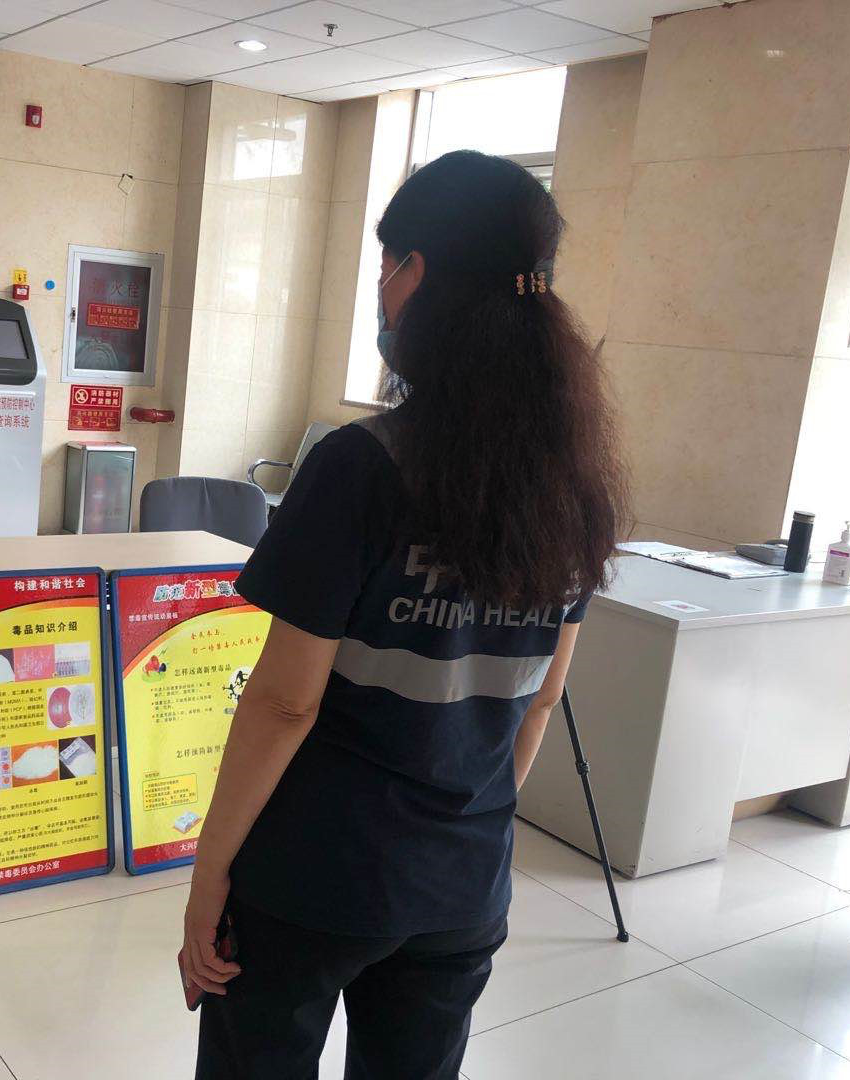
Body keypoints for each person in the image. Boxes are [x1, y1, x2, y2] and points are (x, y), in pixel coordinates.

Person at [181, 150, 627, 1079]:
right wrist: (461, 826)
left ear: (416, 271)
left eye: (386, 265)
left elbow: (285, 704)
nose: (381, 290)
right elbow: (540, 701)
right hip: (464, 880)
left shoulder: (362, 464)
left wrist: (210, 872)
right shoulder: (576, 482)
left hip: (314, 875)